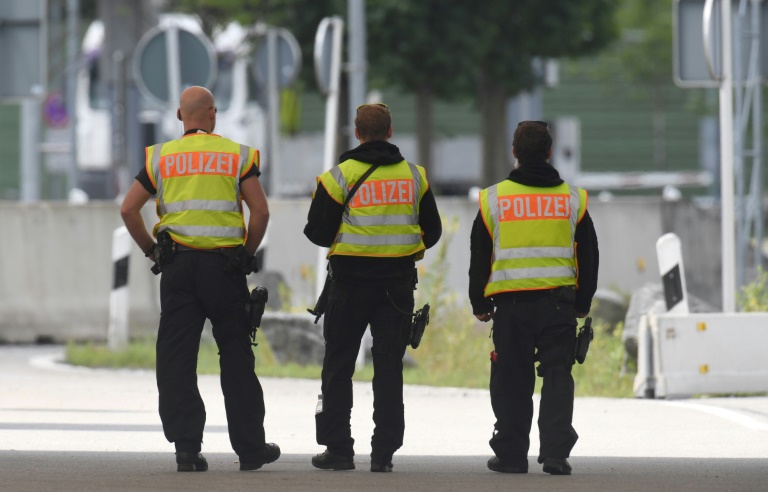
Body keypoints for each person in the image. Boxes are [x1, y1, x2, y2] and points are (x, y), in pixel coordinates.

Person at [120, 86, 280, 473]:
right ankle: (250, 450)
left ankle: (187, 449)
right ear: (213, 114)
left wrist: (152, 252)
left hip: (177, 270)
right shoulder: (235, 156)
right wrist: (246, 253)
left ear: (179, 116)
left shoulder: (160, 158)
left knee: (176, 358)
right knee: (236, 356)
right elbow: (260, 212)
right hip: (224, 269)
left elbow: (128, 210)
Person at [304, 103, 442, 473]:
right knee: (388, 368)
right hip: (396, 286)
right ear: (390, 131)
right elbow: (433, 231)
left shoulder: (339, 177)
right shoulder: (415, 177)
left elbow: (316, 232)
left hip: (348, 284)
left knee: (338, 365)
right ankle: (383, 453)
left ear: (357, 132)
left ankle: (339, 450)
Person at [468, 121, 599, 476]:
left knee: (511, 378)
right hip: (558, 305)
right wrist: (583, 301)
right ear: (549, 152)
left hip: (511, 307)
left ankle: (511, 456)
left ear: (515, 154)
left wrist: (479, 303)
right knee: (558, 375)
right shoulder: (573, 200)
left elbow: (479, 255)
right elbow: (588, 255)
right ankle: (555, 455)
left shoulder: (493, 199)